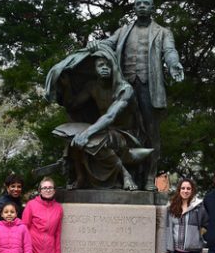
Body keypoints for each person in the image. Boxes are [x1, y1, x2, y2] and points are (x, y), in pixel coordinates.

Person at [93, 0, 184, 190]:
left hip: (148, 87)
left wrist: (174, 64)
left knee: (151, 132)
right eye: (138, 3)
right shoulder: (124, 30)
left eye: (146, 3)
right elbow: (107, 44)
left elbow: (169, 51)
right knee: (121, 130)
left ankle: (150, 176)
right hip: (124, 85)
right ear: (134, 8)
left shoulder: (162, 32)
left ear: (152, 8)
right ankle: (125, 177)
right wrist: (94, 44)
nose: (142, 6)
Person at [46, 46, 151, 190]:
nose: (105, 68)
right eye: (101, 65)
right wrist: (67, 86)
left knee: (98, 139)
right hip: (104, 130)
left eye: (108, 64)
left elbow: (110, 116)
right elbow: (72, 105)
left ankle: (125, 174)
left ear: (114, 67)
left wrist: (86, 133)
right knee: (72, 137)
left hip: (125, 135)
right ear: (94, 69)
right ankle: (80, 176)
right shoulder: (92, 86)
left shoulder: (125, 89)